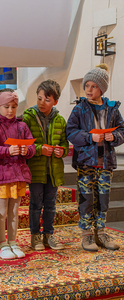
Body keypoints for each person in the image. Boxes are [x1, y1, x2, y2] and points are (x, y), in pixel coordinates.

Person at [66, 64, 124, 251]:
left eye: (93, 86)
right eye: (87, 86)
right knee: (86, 198)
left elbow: (122, 130)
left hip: (105, 162)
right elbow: (71, 132)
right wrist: (90, 137)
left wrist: (114, 136)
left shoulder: (112, 108)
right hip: (85, 162)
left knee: (103, 199)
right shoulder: (79, 109)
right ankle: (87, 235)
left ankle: (101, 232)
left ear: (102, 88)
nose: (88, 90)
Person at [0, 89, 36, 259]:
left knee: (14, 212)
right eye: (6, 106)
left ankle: (13, 242)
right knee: (1, 212)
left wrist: (25, 150)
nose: (10, 110)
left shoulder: (22, 125)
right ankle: (2, 244)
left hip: (18, 174)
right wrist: (8, 151)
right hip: (1, 175)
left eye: (14, 107)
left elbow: (32, 148)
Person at [23, 80, 69, 251]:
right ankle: (35, 236)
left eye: (47, 100)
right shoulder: (27, 118)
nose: (42, 102)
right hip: (36, 169)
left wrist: (61, 151)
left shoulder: (60, 120)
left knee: (51, 204)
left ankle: (48, 234)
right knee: (36, 204)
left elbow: (64, 143)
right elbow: (24, 144)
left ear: (55, 102)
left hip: (53, 171)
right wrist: (39, 149)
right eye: (40, 98)